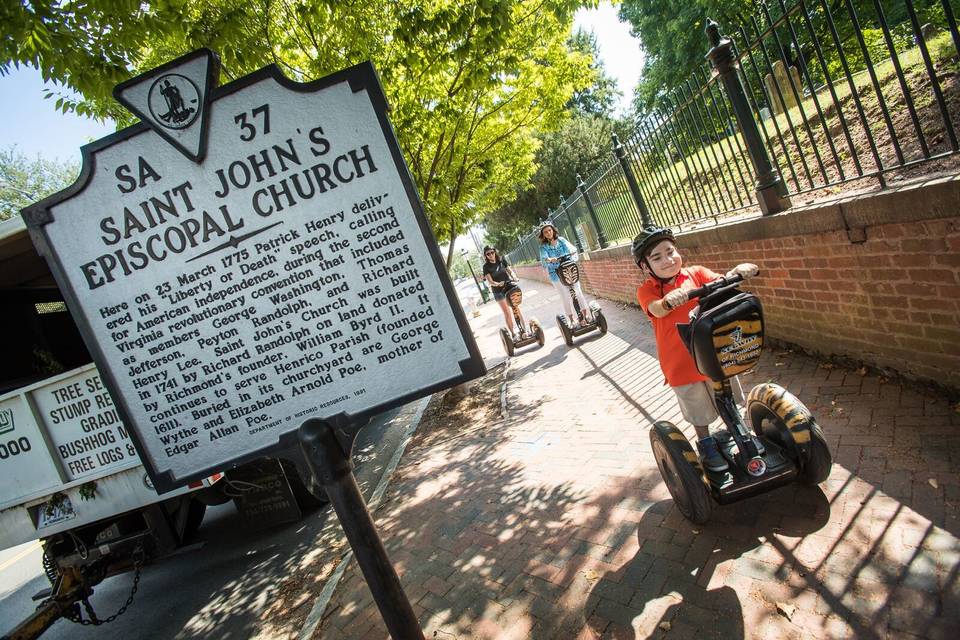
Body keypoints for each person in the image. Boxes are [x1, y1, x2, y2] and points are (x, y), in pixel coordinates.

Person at [631, 224, 759, 473]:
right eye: (657, 257)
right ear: (646, 267)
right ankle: (706, 443)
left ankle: (740, 433)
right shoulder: (646, 290)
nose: (667, 260)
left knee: (729, 399)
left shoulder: (696, 273)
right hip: (681, 364)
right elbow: (655, 308)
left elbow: (721, 283)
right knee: (697, 409)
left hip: (713, 354)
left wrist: (736, 272)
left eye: (670, 251)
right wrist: (668, 301)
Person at [538, 222, 591, 326]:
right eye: (545, 232)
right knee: (565, 296)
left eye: (549, 230)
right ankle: (571, 320)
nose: (548, 233)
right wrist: (549, 259)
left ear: (553, 230)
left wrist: (572, 251)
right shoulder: (543, 247)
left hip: (569, 270)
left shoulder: (561, 240)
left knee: (578, 292)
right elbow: (544, 260)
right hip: (556, 274)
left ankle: (584, 316)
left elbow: (572, 249)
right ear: (543, 235)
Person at [482, 246, 523, 337]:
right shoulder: (486, 267)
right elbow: (490, 281)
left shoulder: (502, 260)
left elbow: (510, 270)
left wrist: (514, 277)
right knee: (507, 312)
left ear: (494, 252)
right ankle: (513, 334)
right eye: (488, 254)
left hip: (508, 286)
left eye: (492, 252)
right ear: (486, 256)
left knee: (515, 307)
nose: (491, 255)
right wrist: (497, 284)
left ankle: (523, 330)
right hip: (498, 291)